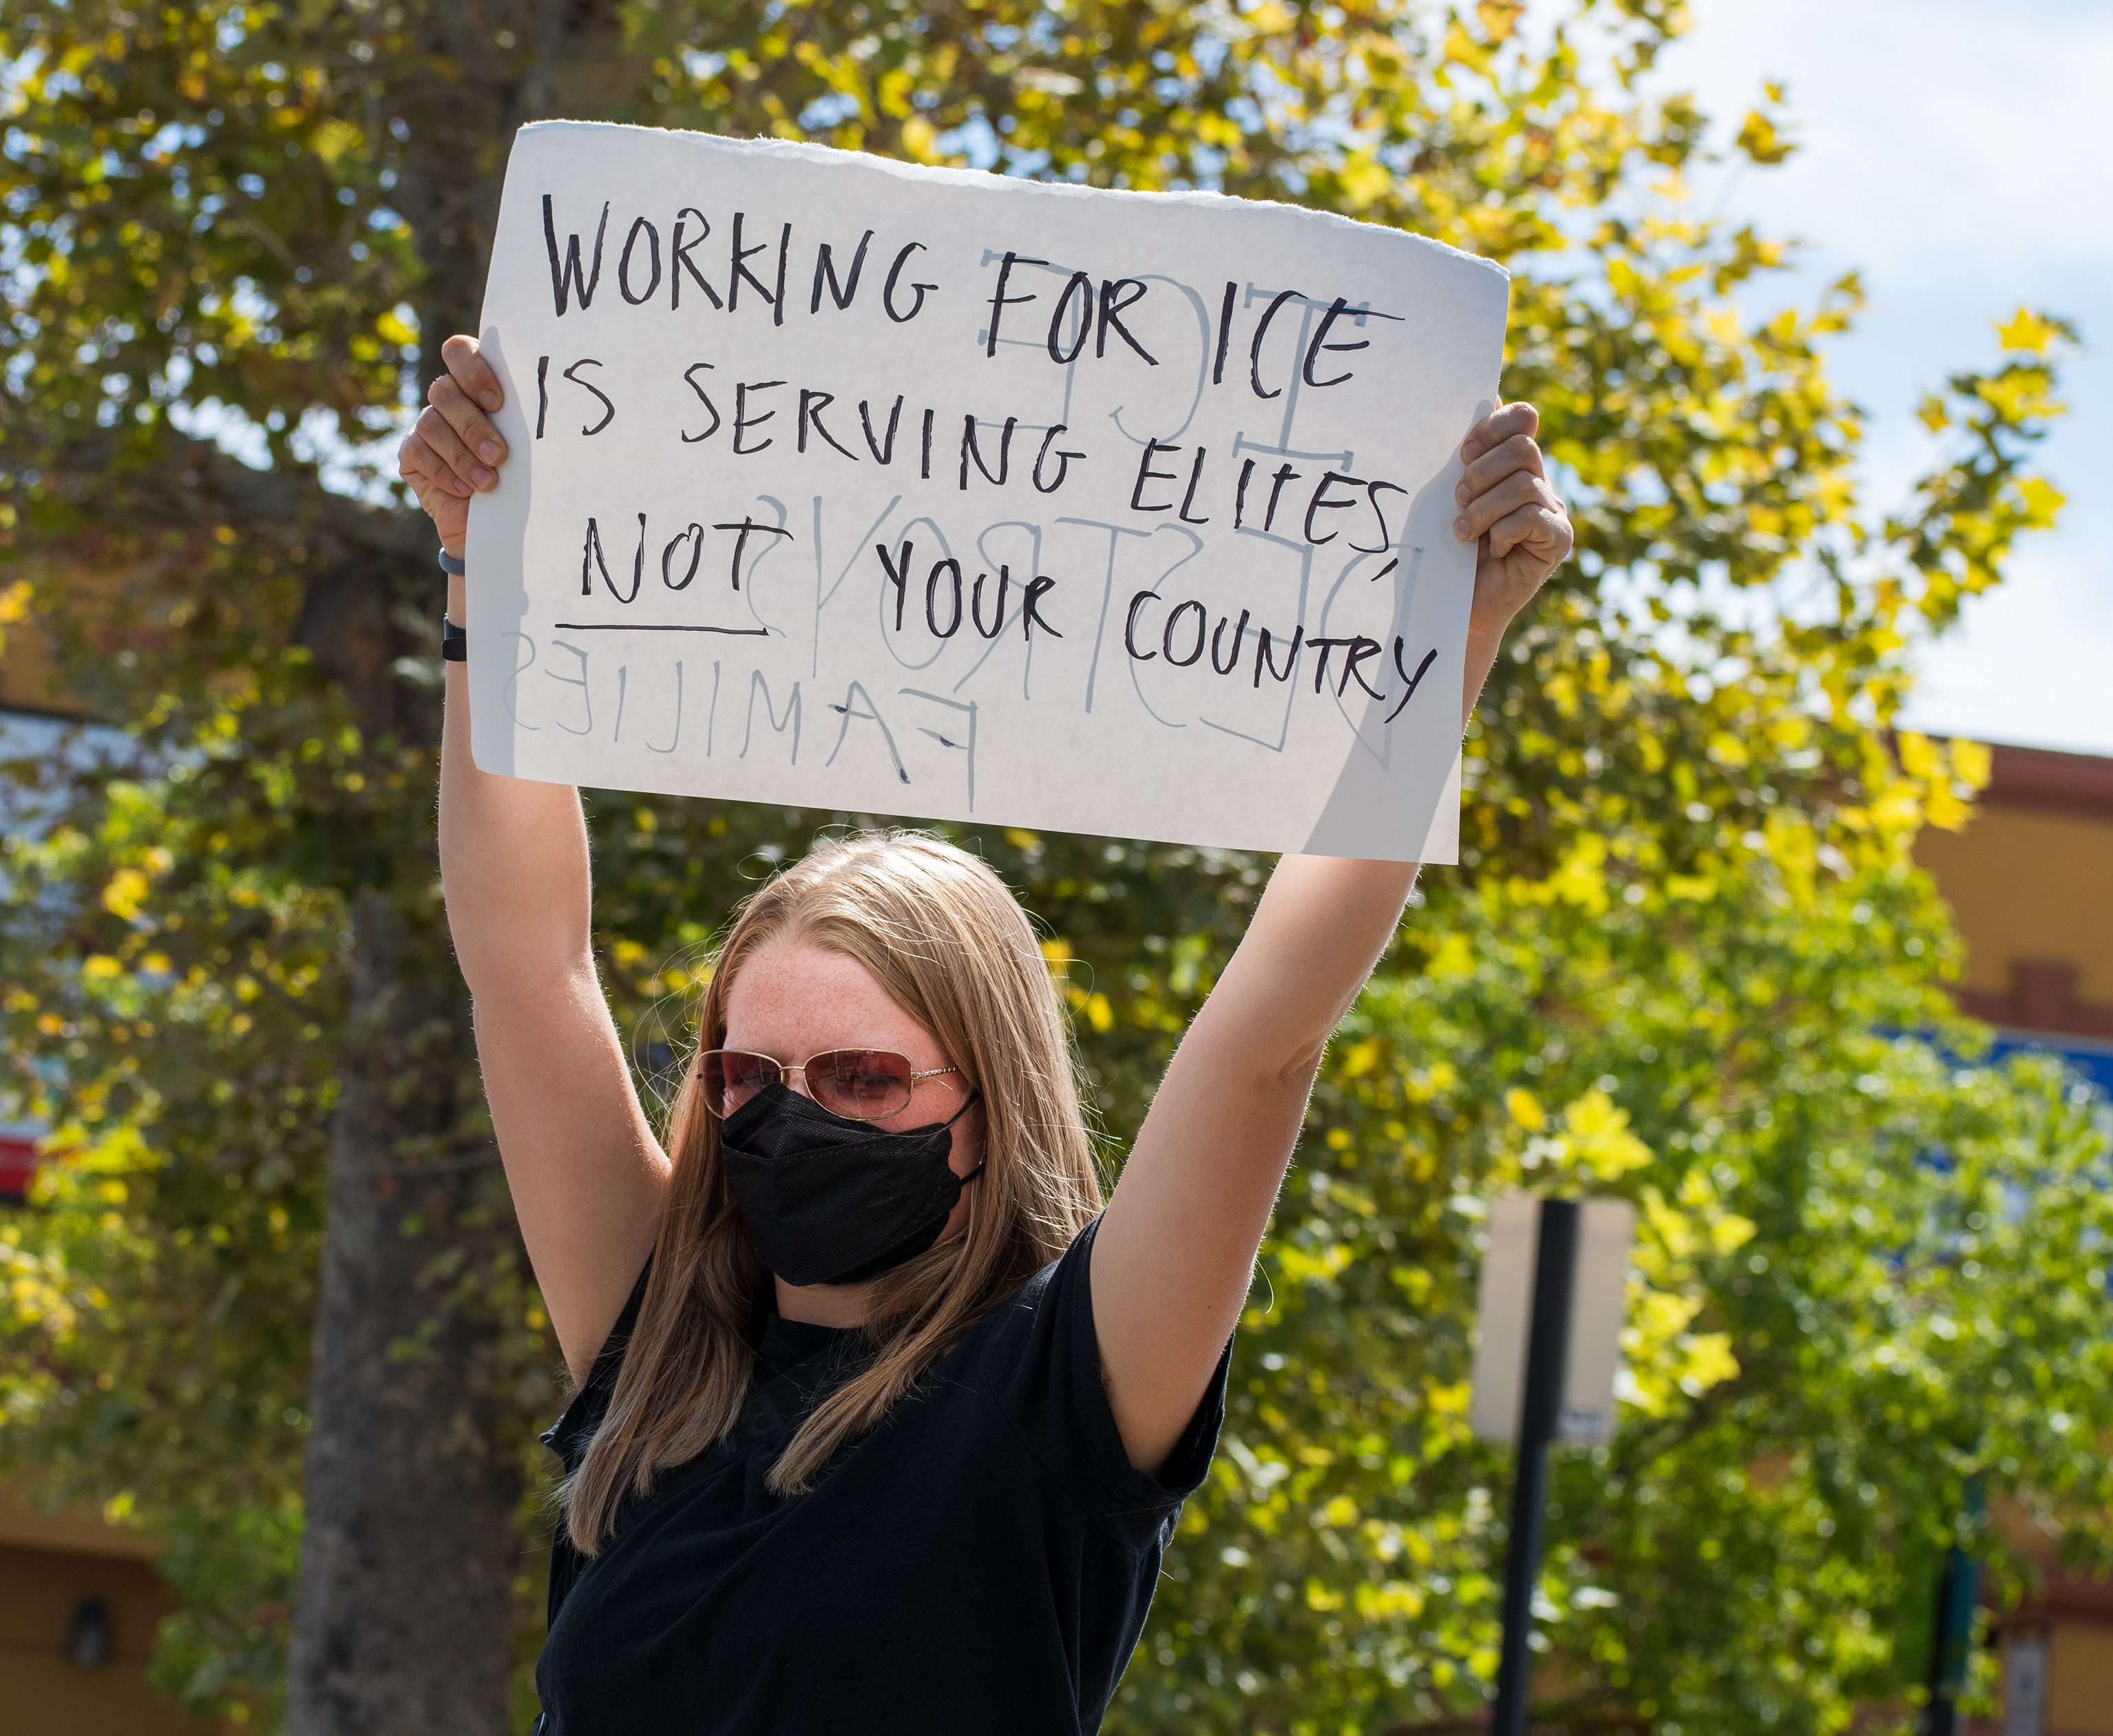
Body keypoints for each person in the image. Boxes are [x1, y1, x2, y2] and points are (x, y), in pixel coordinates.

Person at [403, 333, 1573, 1733]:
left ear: (989, 1097)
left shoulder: (1065, 1388)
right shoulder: (658, 1349)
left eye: (860, 1075)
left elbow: (1265, 1034)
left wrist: (1457, 627)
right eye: (744, 1074)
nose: (789, 1115)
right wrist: (485, 559)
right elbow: (530, 965)